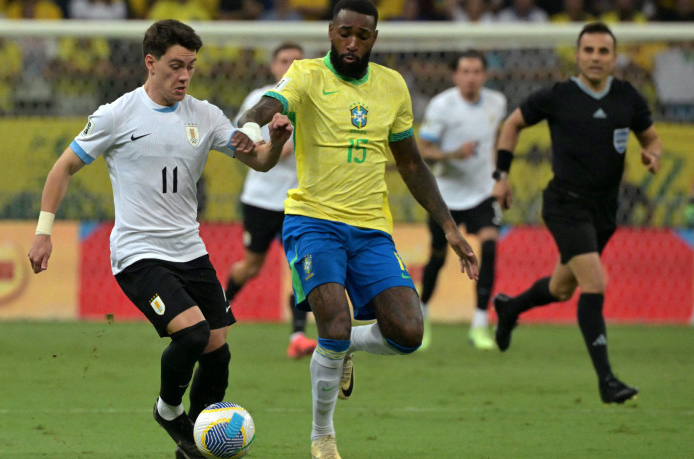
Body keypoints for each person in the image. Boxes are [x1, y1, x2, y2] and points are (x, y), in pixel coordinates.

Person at [27, 20, 292, 459]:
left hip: (190, 250)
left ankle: (200, 444)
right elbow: (62, 169)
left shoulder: (206, 115)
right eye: (175, 66)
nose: (184, 76)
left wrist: (276, 142)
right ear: (150, 63)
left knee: (218, 352)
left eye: (191, 66)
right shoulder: (117, 114)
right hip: (138, 254)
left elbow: (260, 162)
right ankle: (168, 411)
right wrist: (43, 232)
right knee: (193, 334)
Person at [235, 1, 479, 457]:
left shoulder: (392, 85)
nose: (351, 43)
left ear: (374, 38)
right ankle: (322, 436)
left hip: (370, 228)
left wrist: (448, 226)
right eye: (344, 33)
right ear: (331, 31)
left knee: (408, 334)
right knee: (333, 321)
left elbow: (410, 163)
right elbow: (268, 103)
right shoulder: (306, 74)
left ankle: (347, 347)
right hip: (313, 221)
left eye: (362, 36)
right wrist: (251, 125)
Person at [491, 22, 662, 405]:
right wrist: (501, 177)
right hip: (565, 206)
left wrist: (653, 155)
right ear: (578, 55)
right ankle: (607, 381)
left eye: (603, 51)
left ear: (614, 58)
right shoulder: (559, 95)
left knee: (561, 288)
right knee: (595, 282)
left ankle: (510, 308)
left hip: (605, 211)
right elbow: (512, 124)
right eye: (588, 50)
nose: (595, 58)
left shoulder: (627, 97)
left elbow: (651, 137)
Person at [224, 42, 319, 360]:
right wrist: (274, 147)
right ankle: (218, 312)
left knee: (301, 266)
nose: (290, 65)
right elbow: (243, 140)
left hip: (300, 200)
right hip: (262, 199)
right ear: (273, 66)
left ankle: (297, 336)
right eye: (284, 60)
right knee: (251, 266)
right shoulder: (259, 99)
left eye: (297, 60)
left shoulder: (313, 99)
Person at [417, 50, 507, 350]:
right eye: (465, 71)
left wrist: (500, 177)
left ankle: (480, 324)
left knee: (490, 248)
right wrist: (453, 154)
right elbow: (423, 151)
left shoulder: (497, 102)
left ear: (485, 75)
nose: (471, 77)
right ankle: (422, 315)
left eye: (477, 71)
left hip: (482, 192)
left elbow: (496, 141)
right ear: (455, 75)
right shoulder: (442, 106)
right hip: (446, 197)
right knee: (438, 257)